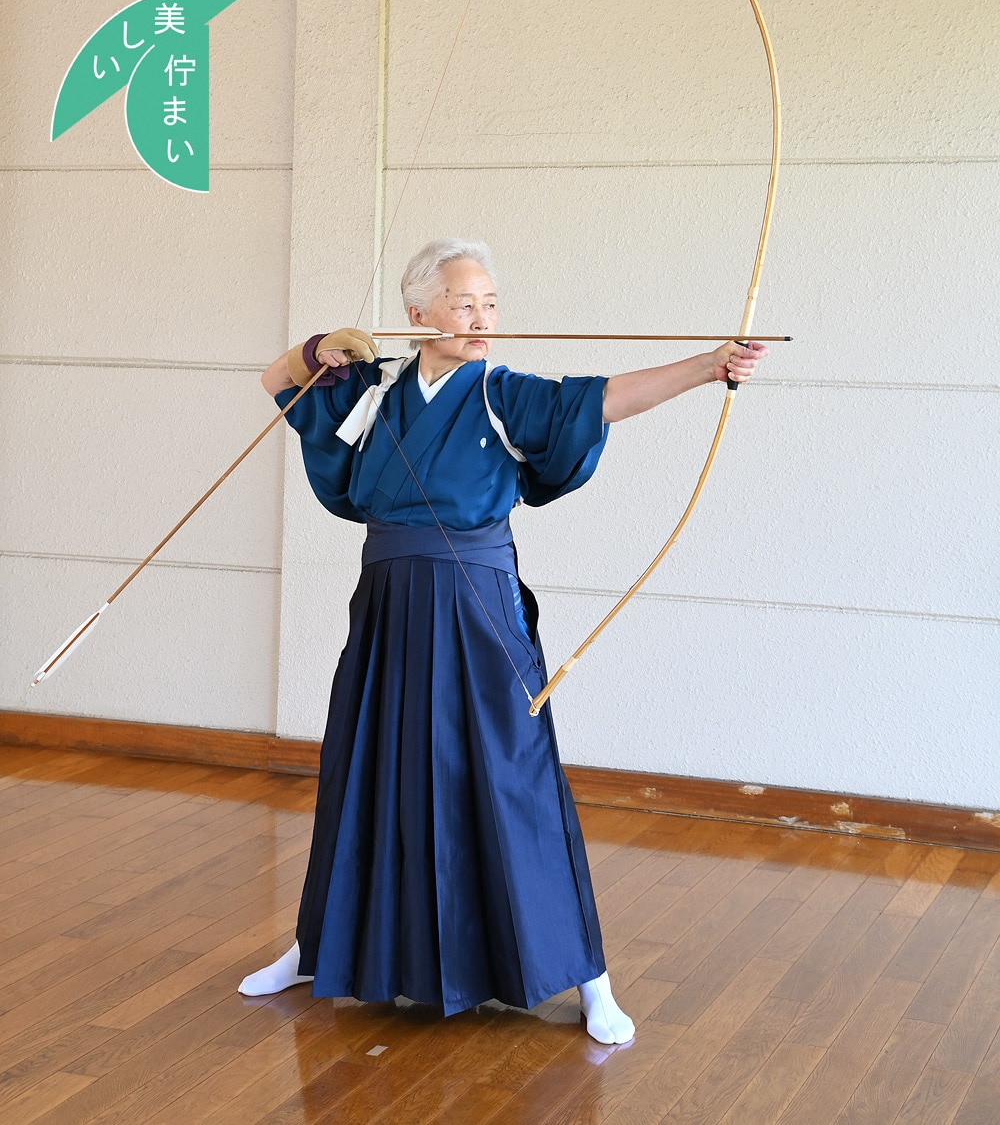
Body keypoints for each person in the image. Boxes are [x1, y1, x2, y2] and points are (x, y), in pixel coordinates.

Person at [239, 239, 767, 1045]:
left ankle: (588, 975)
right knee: (368, 768)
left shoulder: (501, 392)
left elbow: (605, 398)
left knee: (511, 779)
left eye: (489, 304)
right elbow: (278, 382)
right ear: (417, 315)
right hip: (386, 602)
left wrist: (708, 366)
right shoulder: (376, 390)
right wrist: (319, 348)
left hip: (475, 604)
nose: (481, 319)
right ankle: (323, 946)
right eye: (463, 304)